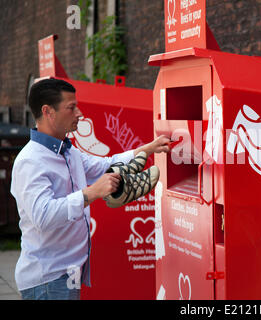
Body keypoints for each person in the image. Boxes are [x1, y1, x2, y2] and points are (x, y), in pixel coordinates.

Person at [10, 78, 170, 300]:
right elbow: (43, 216)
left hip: (66, 274)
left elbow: (105, 165)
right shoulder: (30, 161)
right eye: (71, 107)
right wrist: (92, 192)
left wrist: (148, 149)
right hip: (48, 280)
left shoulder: (68, 151)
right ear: (48, 112)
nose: (79, 113)